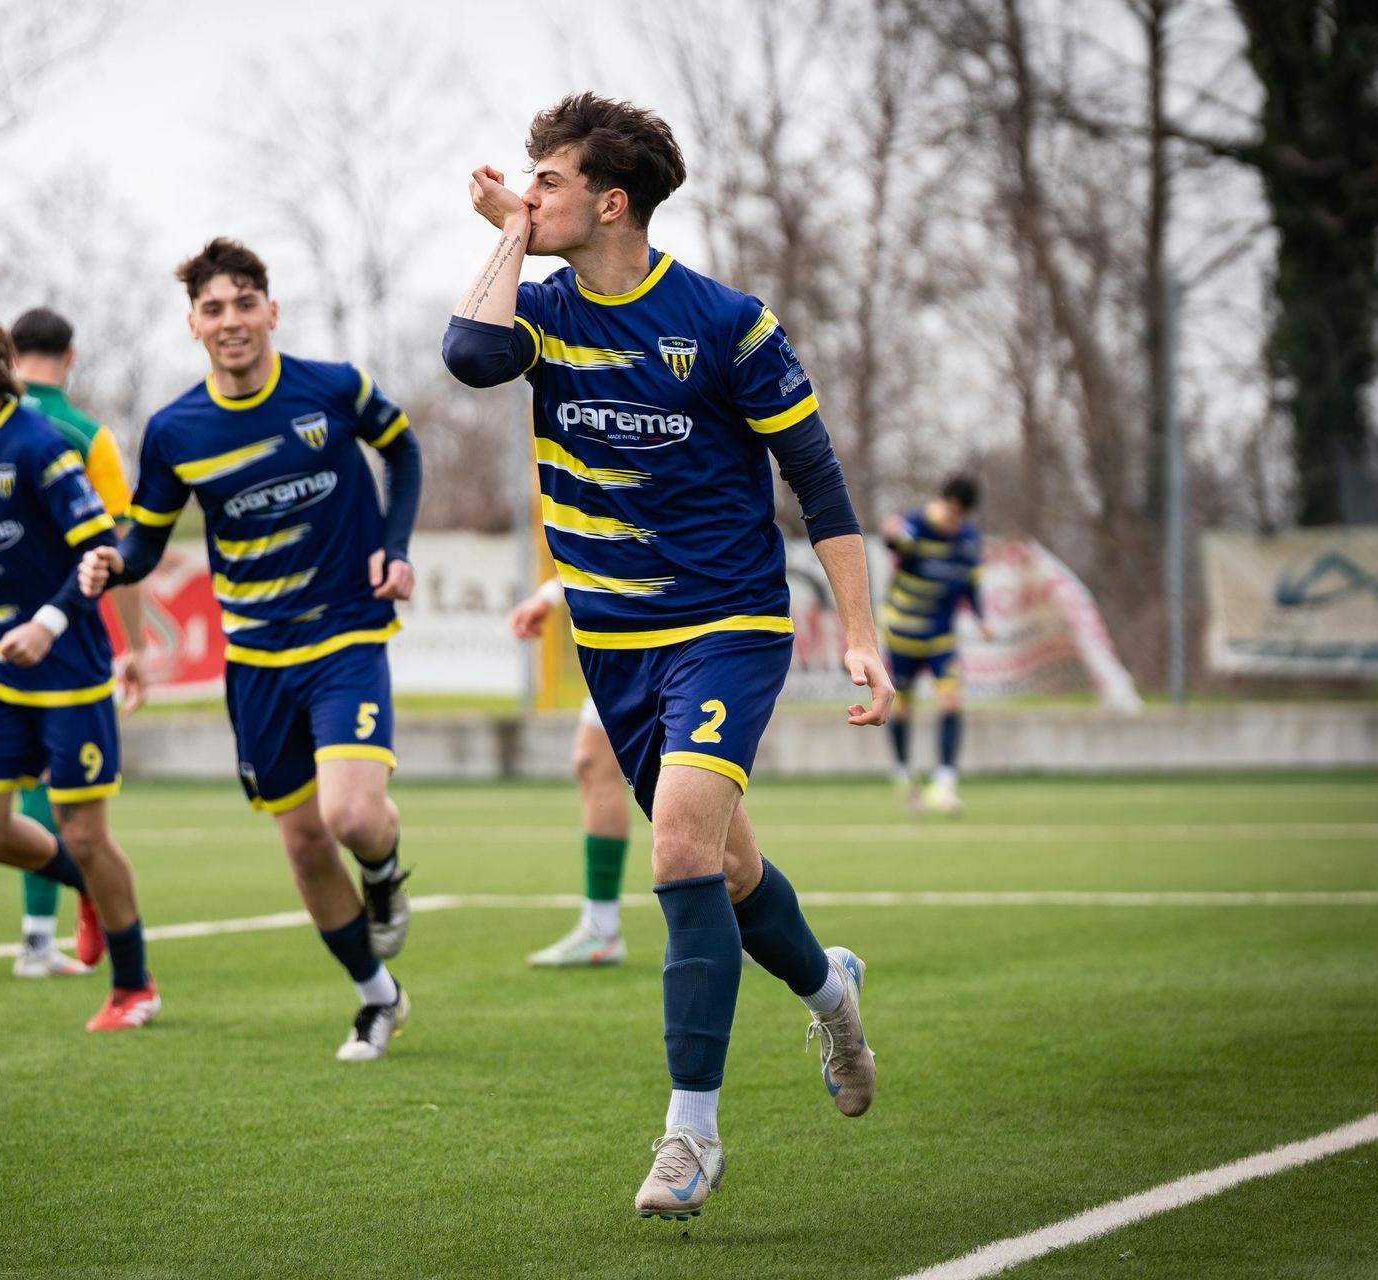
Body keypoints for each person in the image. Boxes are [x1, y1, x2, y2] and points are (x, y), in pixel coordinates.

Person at [442, 92, 893, 1221]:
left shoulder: (730, 322)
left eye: (546, 180)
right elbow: (469, 355)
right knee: (729, 869)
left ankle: (691, 1131)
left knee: (681, 847)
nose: (524, 191)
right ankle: (831, 988)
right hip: (615, 643)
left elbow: (821, 485)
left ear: (610, 200)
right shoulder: (540, 310)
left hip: (728, 627)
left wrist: (866, 637)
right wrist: (508, 230)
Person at [78, 238, 419, 1062]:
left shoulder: (334, 387)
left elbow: (401, 449)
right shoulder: (175, 429)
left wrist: (397, 544)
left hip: (344, 635)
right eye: (212, 308)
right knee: (303, 840)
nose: (230, 321)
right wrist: (115, 558)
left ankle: (383, 870)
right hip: (257, 658)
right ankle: (378, 998)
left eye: (243, 303)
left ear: (272, 310)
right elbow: (148, 537)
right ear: (193, 324)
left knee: (352, 815)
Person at [0, 293, 157, 1033]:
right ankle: (92, 891)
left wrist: (48, 623)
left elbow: (98, 554)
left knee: (82, 829)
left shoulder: (42, 445)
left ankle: (133, 985)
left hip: (67, 672)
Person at [507, 576, 631, 966]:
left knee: (692, 776)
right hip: (628, 638)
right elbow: (601, 538)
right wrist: (548, 595)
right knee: (592, 762)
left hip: (688, 628)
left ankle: (746, 921)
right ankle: (601, 929)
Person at [880, 474, 990, 817]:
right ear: (937, 500)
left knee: (951, 702)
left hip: (941, 636)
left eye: (960, 516)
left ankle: (944, 784)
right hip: (903, 633)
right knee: (902, 709)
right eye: (949, 511)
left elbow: (971, 583)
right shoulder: (916, 523)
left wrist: (981, 617)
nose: (952, 521)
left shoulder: (968, 540)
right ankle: (903, 772)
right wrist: (891, 535)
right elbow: (898, 542)